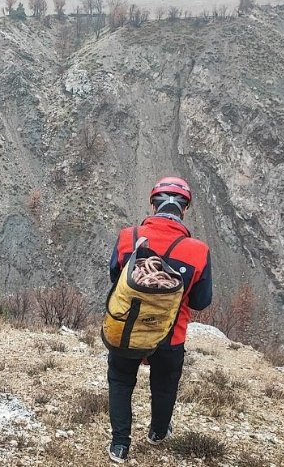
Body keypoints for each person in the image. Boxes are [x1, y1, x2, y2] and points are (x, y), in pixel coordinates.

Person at [106, 176, 212, 463]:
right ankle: (158, 433)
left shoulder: (128, 236)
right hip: (170, 334)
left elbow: (117, 278)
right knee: (164, 385)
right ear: (184, 210)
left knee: (120, 380)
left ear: (152, 205)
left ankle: (119, 445)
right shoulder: (199, 251)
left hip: (128, 328)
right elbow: (202, 301)